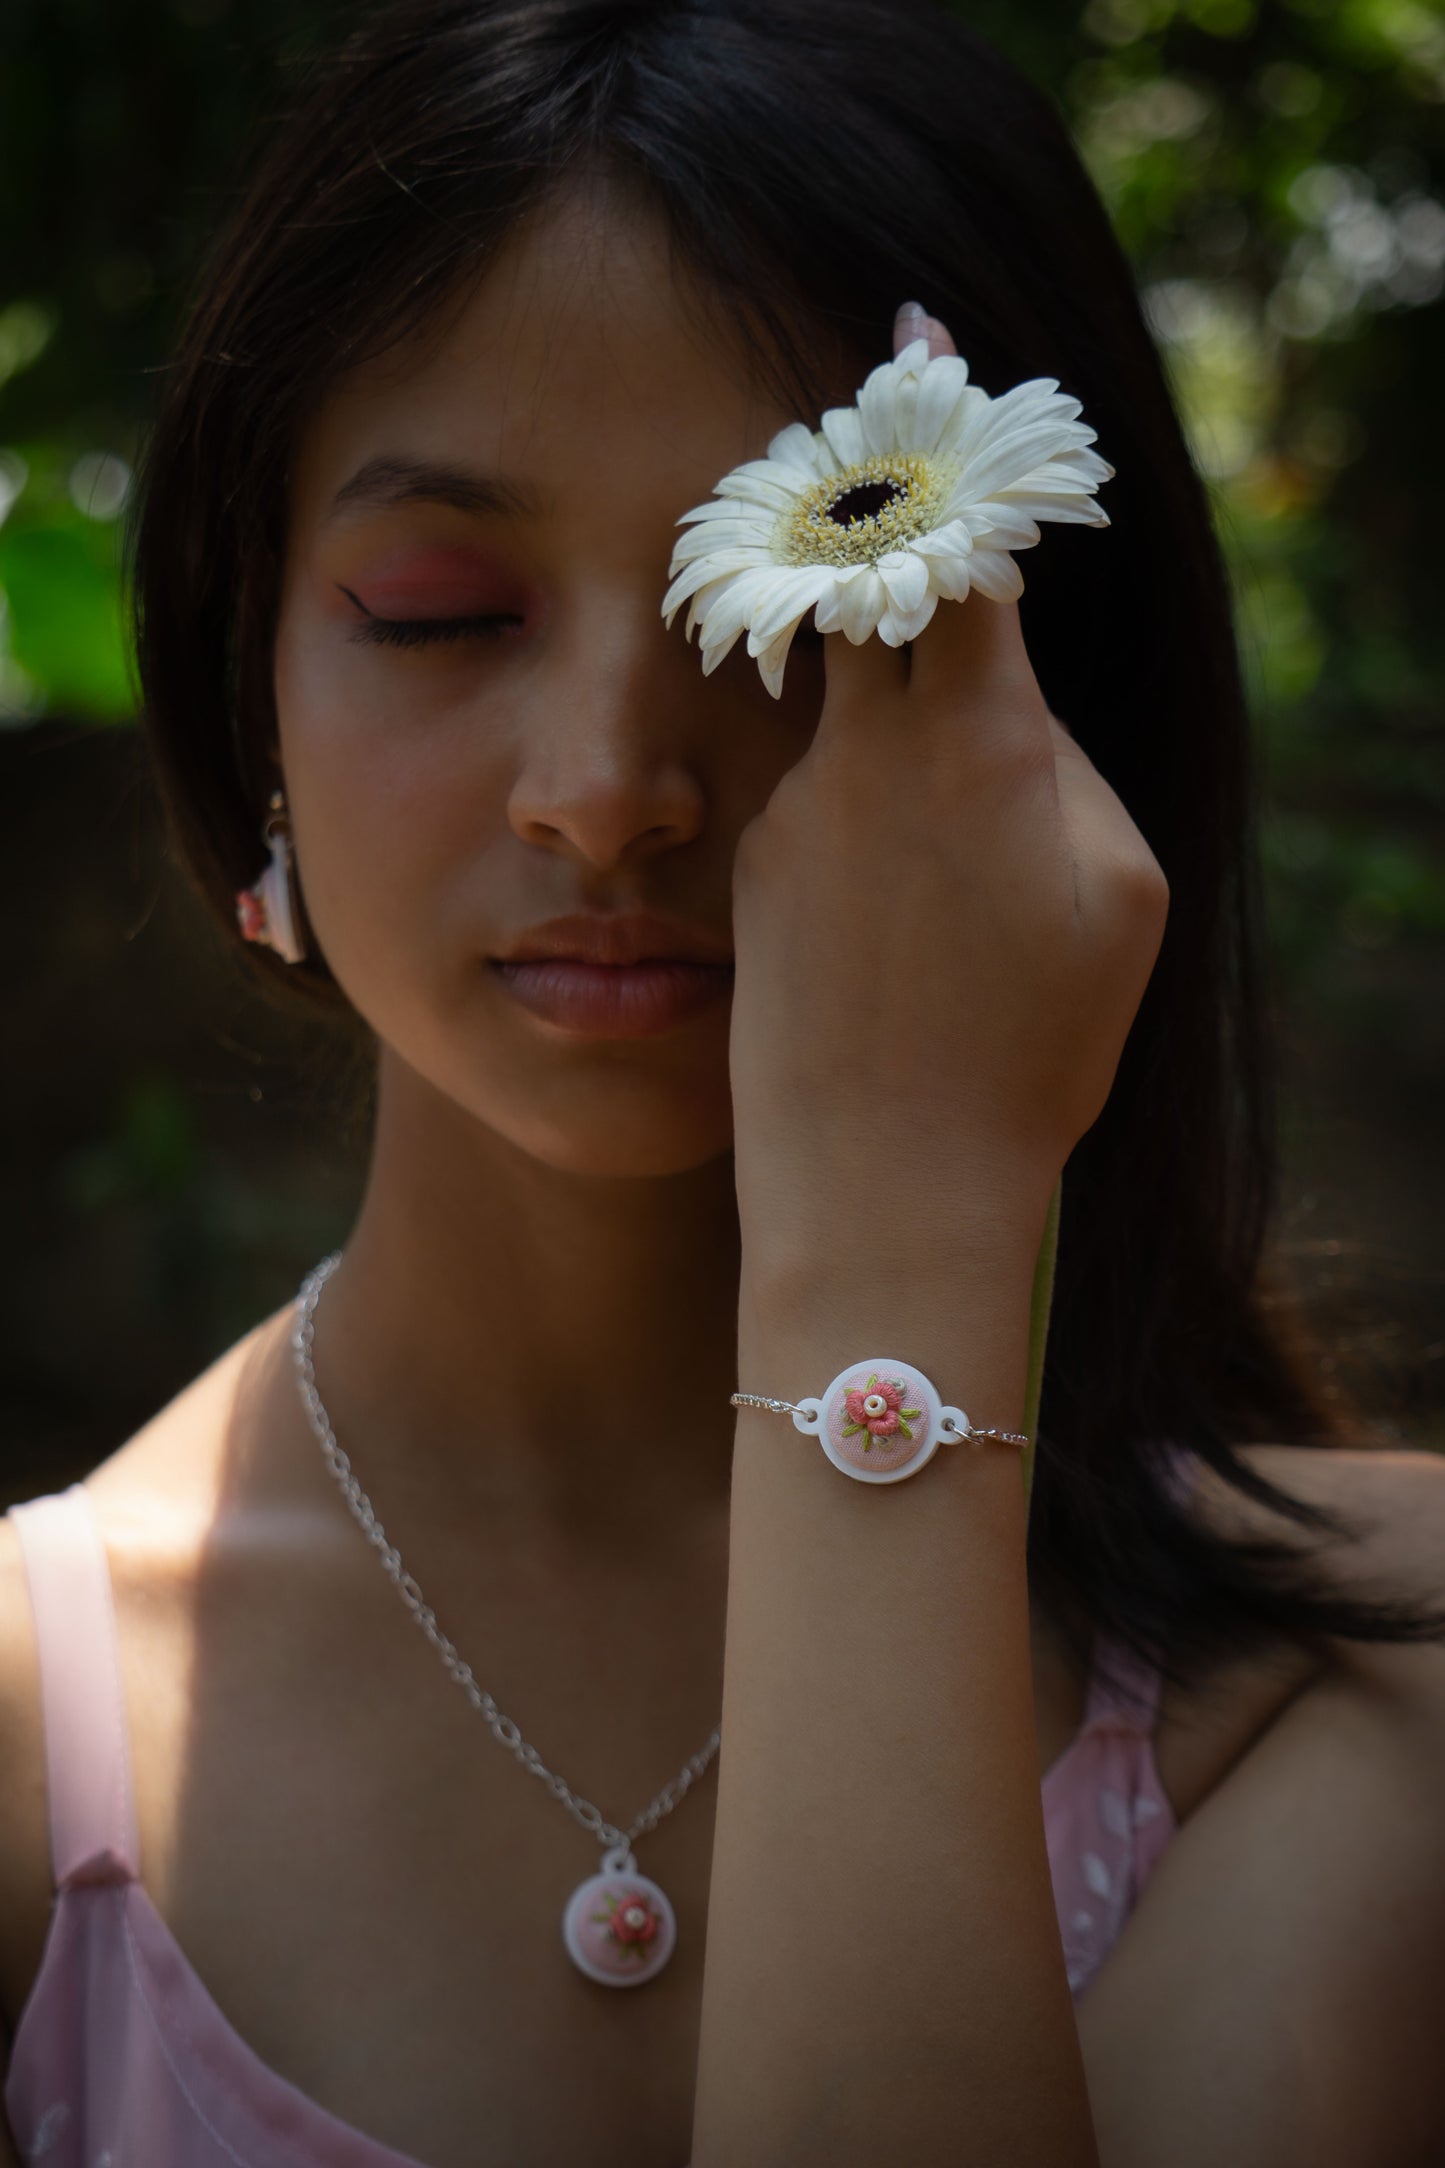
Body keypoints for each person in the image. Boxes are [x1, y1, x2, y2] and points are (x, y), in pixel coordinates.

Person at [2, 1, 1443, 2161]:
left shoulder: (1384, 1673)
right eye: (435, 607)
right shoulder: (39, 1746)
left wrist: (896, 1256)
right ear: (249, 686)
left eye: (803, 604)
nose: (607, 790)